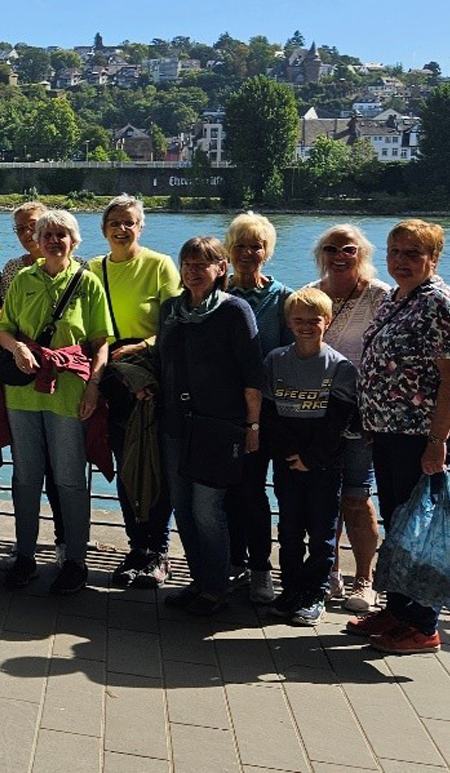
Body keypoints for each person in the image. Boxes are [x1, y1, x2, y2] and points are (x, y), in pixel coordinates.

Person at [349, 220, 450, 654]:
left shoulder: (438, 302)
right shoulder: (398, 298)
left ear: (433, 258)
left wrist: (437, 442)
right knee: (399, 525)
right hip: (390, 432)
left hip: (421, 436)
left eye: (412, 254)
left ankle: (424, 626)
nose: (400, 260)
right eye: (395, 251)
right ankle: (398, 611)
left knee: (418, 530)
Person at [0, 210, 108, 595]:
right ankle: (24, 555)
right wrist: (16, 349)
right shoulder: (23, 280)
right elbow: (4, 329)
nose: (54, 240)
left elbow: (100, 343)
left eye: (62, 234)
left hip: (69, 393)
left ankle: (75, 560)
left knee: (70, 479)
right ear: (37, 241)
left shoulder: (88, 283)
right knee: (25, 477)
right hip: (23, 391)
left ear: (73, 241)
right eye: (47, 234)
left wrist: (94, 387)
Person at [157, 236, 263, 617]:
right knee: (182, 508)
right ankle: (199, 580)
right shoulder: (171, 309)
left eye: (203, 264)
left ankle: (216, 588)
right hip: (176, 425)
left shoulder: (235, 311)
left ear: (221, 269)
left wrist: (252, 425)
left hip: (218, 428)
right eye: (187, 263)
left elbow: (253, 374)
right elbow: (162, 362)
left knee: (207, 510)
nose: (193, 271)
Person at [88, 194, 181, 588]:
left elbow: (176, 322)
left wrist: (142, 347)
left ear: (141, 227)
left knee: (154, 465)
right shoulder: (93, 268)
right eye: (115, 222)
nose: (122, 229)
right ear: (104, 228)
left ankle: (158, 552)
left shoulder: (159, 265)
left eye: (130, 222)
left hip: (150, 379)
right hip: (112, 380)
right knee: (126, 467)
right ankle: (136, 548)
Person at [262, 286, 358, 626]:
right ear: (288, 322)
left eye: (313, 320)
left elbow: (339, 420)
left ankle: (315, 591)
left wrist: (311, 457)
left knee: (322, 531)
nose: (306, 326)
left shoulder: (340, 367)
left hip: (325, 463)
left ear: (327, 321)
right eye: (299, 320)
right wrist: (290, 454)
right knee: (288, 529)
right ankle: (290, 589)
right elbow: (270, 414)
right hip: (287, 462)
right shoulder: (275, 360)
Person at [309, 225, 390, 612]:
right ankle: (329, 574)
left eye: (348, 249)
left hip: (361, 415)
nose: (339, 255)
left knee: (357, 497)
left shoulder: (380, 296)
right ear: (320, 254)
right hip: (318, 415)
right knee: (324, 496)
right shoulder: (311, 293)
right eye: (331, 248)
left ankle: (365, 580)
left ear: (363, 254)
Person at [225, 212, 291, 606]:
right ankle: (232, 561)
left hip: (265, 411)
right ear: (229, 250)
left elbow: (287, 356)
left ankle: (261, 569)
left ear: (268, 251)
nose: (249, 253)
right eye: (241, 245)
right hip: (220, 410)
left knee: (253, 491)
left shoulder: (281, 298)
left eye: (257, 245)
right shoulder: (217, 291)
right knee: (225, 490)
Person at [1, 202, 46, 295]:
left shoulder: (77, 267)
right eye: (20, 228)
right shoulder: (13, 268)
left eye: (33, 225)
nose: (27, 233)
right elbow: (8, 305)